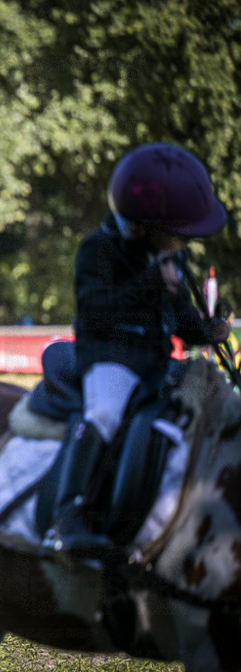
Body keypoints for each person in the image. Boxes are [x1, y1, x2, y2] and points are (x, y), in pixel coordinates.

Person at [40, 142, 232, 557]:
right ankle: (66, 518)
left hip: (156, 362)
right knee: (106, 413)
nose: (183, 242)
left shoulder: (166, 257)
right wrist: (150, 283)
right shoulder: (97, 250)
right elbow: (94, 314)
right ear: (144, 224)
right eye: (178, 234)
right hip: (110, 358)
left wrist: (206, 330)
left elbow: (179, 318)